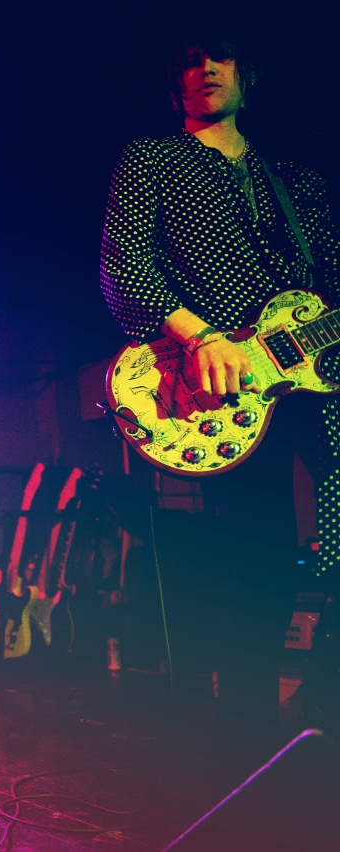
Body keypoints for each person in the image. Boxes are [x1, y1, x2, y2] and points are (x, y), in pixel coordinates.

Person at [100, 34, 340, 724]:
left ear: (246, 73)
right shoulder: (152, 159)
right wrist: (202, 337)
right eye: (189, 59)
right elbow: (124, 270)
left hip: (318, 381)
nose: (204, 67)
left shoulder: (295, 180)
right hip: (223, 388)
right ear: (174, 82)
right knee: (261, 561)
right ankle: (244, 730)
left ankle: (320, 707)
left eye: (220, 55)